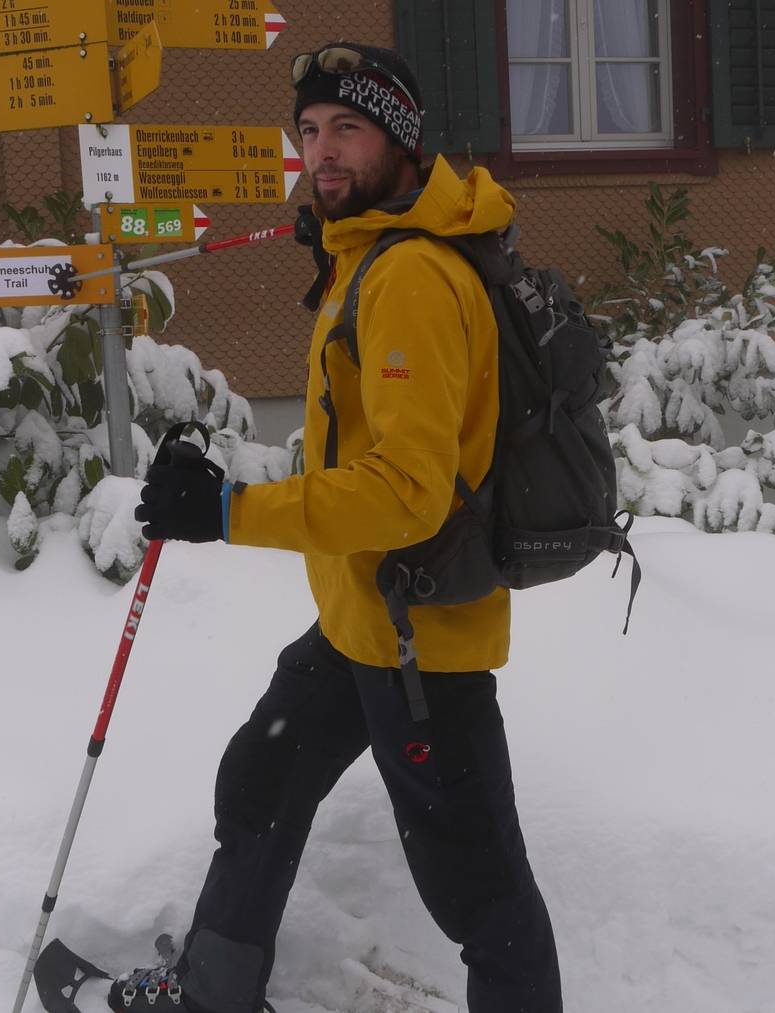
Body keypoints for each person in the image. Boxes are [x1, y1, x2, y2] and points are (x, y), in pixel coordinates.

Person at [133, 41, 562, 1013]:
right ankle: (213, 991)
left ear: (402, 145)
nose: (323, 152)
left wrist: (230, 511)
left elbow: (409, 491)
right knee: (263, 779)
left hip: (421, 647)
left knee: (484, 900)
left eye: (349, 130)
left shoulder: (411, 276)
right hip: (361, 618)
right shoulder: (366, 252)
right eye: (312, 132)